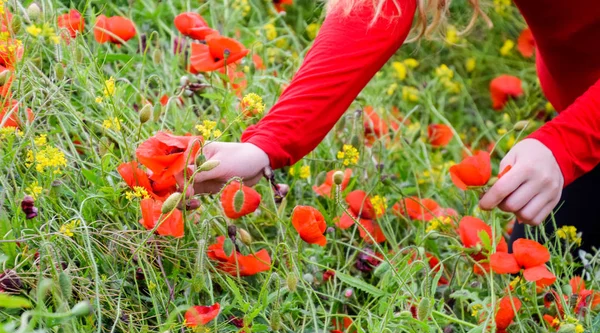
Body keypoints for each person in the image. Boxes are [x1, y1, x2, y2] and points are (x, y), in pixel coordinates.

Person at [183, 0, 600, 250]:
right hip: (581, 128)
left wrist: (565, 144)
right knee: (543, 300)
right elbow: (374, 10)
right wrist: (266, 145)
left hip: (578, 134)